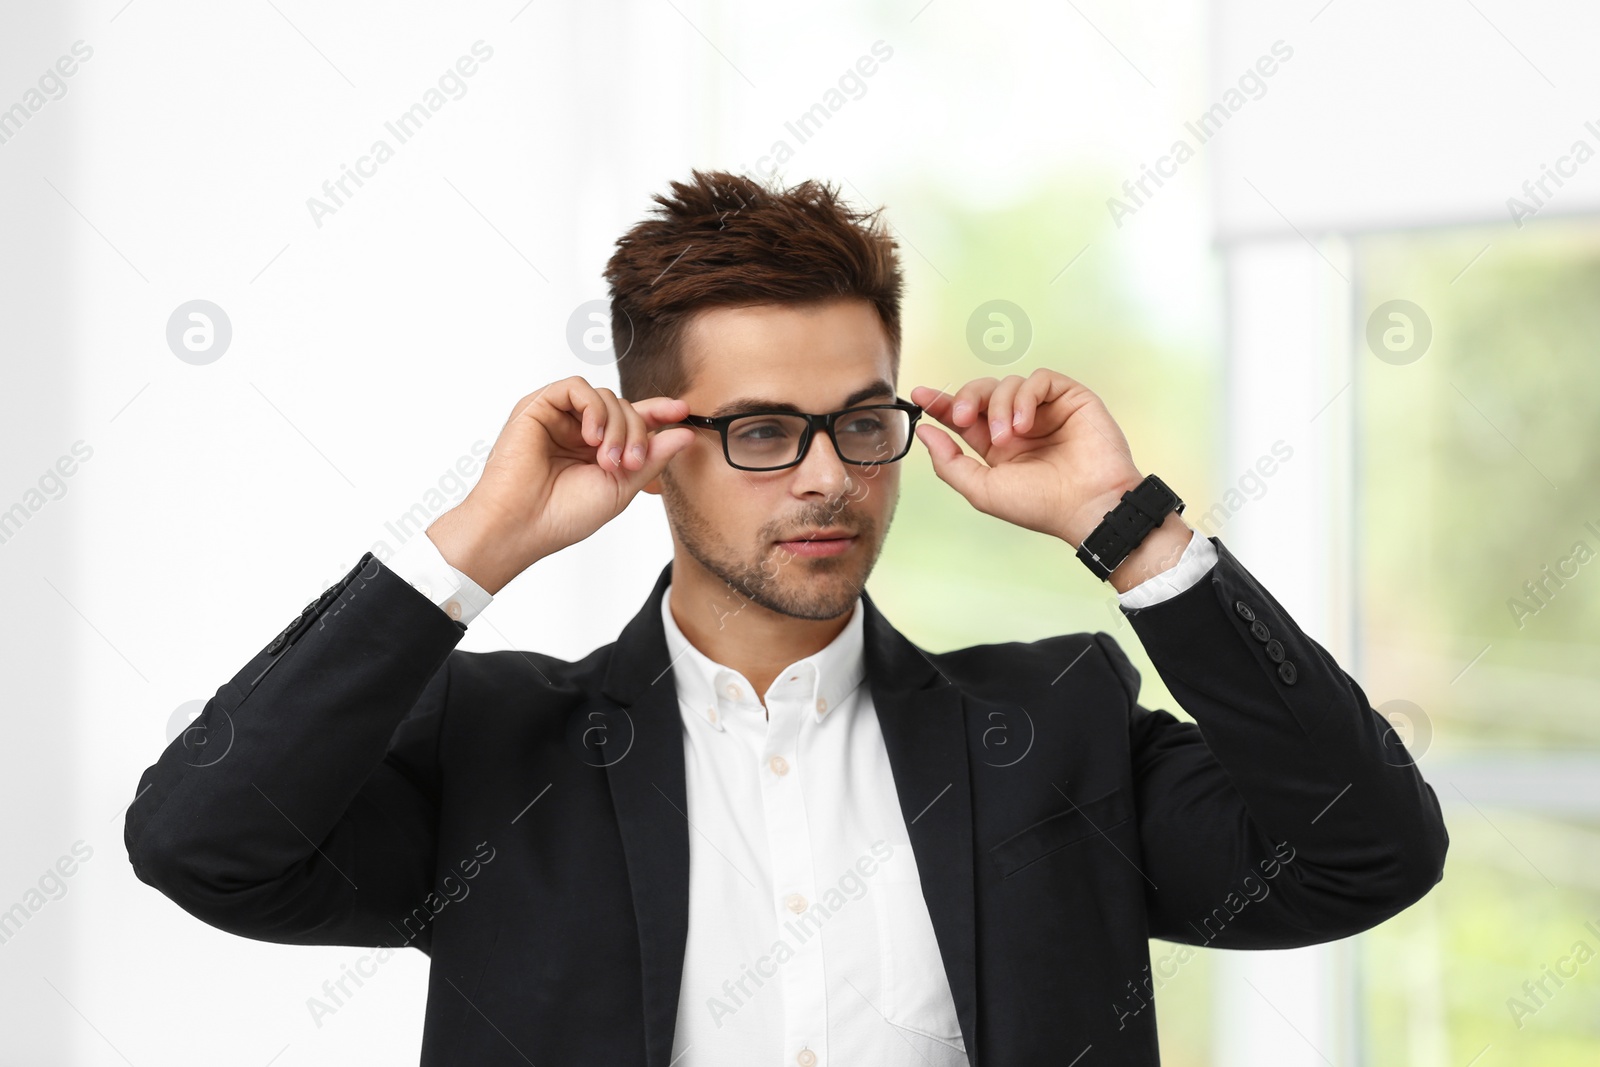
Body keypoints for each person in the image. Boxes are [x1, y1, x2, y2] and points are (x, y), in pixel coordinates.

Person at [124, 169, 1448, 1066]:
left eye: (862, 423)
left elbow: (1368, 852)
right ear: (651, 445)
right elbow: (205, 842)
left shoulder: (1056, 728)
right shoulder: (497, 753)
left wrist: (1130, 524)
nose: (829, 476)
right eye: (762, 428)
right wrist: (478, 544)